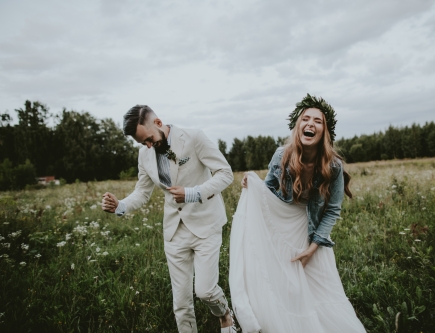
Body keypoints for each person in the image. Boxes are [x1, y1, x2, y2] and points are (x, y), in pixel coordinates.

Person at [229, 94, 366, 332]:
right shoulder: (281, 155)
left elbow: (332, 210)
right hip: (284, 225)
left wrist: (313, 248)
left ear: (325, 131)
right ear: (297, 126)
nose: (310, 124)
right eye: (305, 119)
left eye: (318, 121)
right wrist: (252, 184)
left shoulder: (333, 166)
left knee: (323, 289)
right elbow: (268, 192)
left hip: (312, 233)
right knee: (286, 288)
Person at [101, 105, 237, 333]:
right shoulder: (144, 154)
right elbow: (142, 192)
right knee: (181, 304)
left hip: (205, 224)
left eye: (149, 140)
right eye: (142, 143)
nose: (147, 146)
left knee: (205, 291)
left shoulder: (194, 137)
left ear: (157, 122)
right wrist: (120, 205)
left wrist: (192, 193)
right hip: (174, 232)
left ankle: (224, 314)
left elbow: (225, 173)